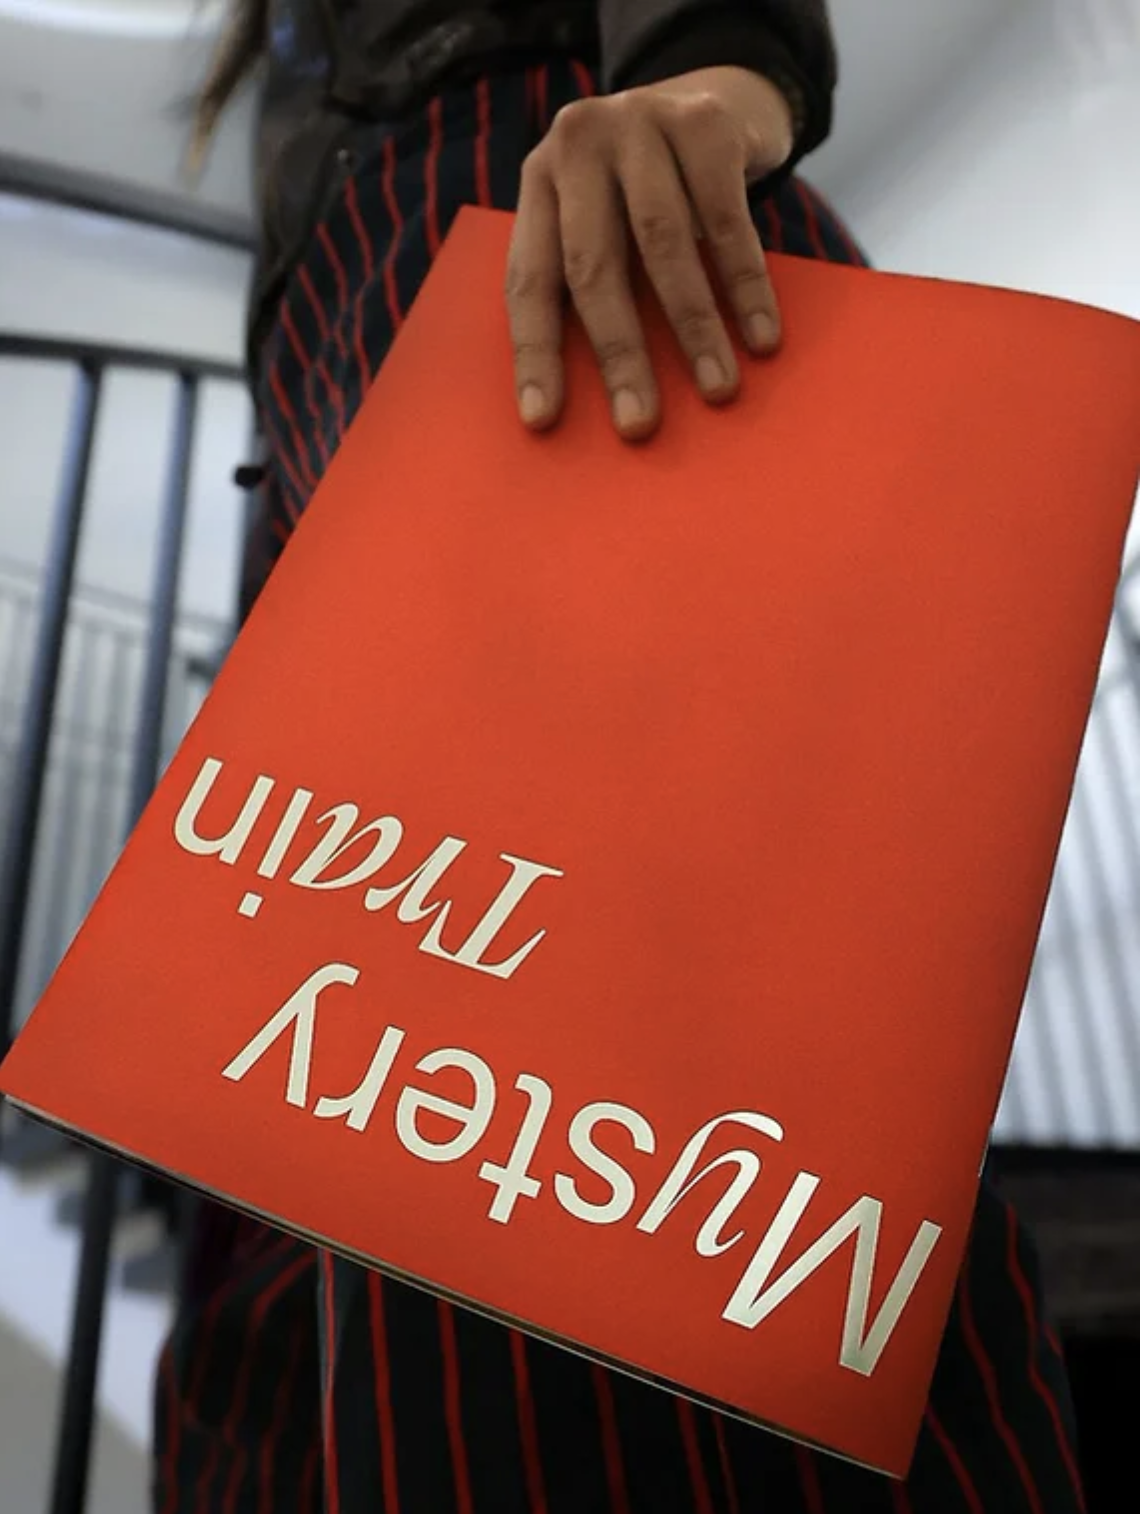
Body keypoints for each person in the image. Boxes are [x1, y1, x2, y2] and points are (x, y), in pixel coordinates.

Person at [156, 3, 1088, 1510]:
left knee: (605, 1177)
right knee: (369, 1159)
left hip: (575, 267)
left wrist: (713, 84)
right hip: (392, 357)